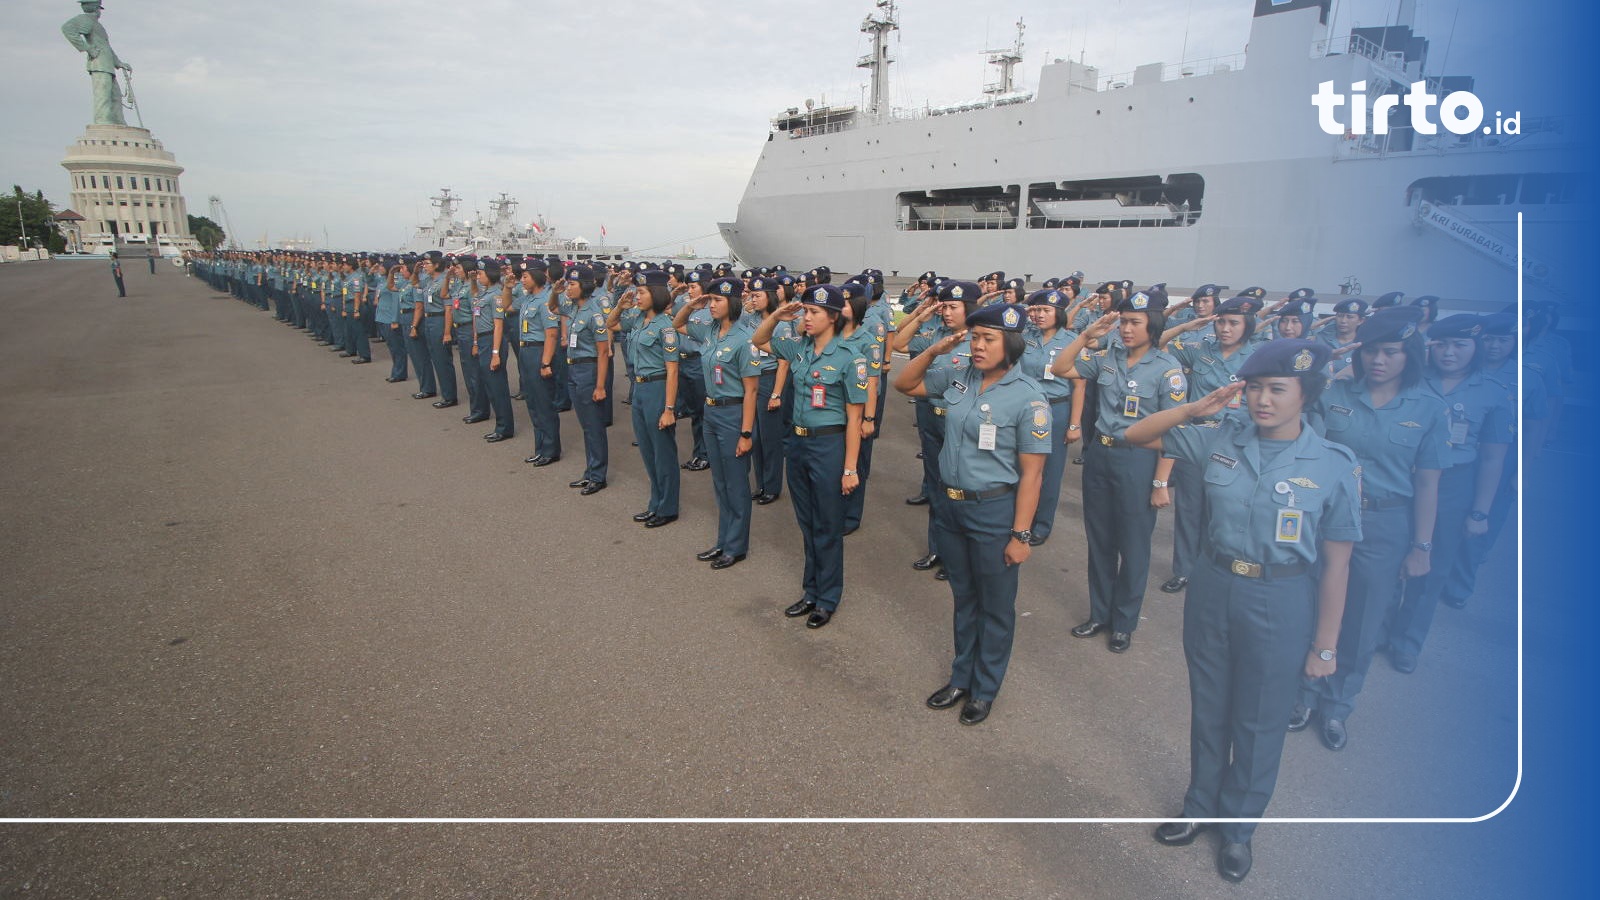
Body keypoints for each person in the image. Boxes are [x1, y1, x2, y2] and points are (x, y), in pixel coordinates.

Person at [1128, 339, 1360, 885]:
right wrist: (1193, 409)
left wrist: (1325, 646)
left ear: (1307, 395)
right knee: (1209, 705)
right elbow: (1131, 434)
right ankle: (1198, 806)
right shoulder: (1220, 441)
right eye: (1254, 387)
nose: (1262, 399)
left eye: (1277, 389)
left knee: (1259, 719)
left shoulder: (1332, 466)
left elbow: (1337, 567)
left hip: (1280, 597)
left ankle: (1238, 829)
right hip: (1214, 585)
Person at [1290, 306, 1448, 751]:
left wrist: (1421, 546)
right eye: (1373, 351)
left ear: (1410, 355)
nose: (1380, 361)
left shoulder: (1428, 408)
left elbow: (1428, 481)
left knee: (1362, 619)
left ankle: (1337, 706)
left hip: (1384, 522)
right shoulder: (1335, 393)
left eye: (1392, 352)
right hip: (1325, 516)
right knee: (1312, 605)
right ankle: (1303, 695)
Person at [895, 302, 1050, 725]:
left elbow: (1033, 475)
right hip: (951, 507)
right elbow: (905, 385)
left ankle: (984, 688)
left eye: (988, 339)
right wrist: (934, 351)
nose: (978, 346)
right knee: (964, 600)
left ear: (1012, 344)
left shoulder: (1029, 399)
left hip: (994, 511)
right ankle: (961, 677)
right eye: (975, 337)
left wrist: (1020, 536)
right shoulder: (959, 377)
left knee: (995, 606)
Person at [1052, 286, 1188, 653]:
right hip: (1101, 456)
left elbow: (1173, 433)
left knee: (1134, 545)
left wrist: (1161, 482)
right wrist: (1085, 336)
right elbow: (1061, 367)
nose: (1126, 329)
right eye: (1124, 322)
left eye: (1134, 323)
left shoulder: (1167, 371)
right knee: (1100, 542)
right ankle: (1100, 613)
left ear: (1154, 326)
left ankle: (1123, 622)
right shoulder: (1108, 357)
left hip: (1139, 462)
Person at [1383, 314, 1513, 671]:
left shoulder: (1493, 392)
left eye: (1459, 345)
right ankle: (1379, 629)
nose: (1448, 353)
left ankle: (1407, 640)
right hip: (1403, 476)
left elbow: (1491, 458)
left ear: (1477, 347)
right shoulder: (1412, 379)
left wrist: (1480, 513)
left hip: (1454, 482)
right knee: (1390, 556)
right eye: (1441, 344)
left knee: (1432, 565)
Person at [750, 284, 869, 629]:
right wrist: (775, 314)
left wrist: (850, 467)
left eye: (814, 312)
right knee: (807, 523)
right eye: (805, 311)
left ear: (833, 317)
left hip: (829, 446)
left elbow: (855, 418)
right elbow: (759, 340)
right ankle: (811, 591)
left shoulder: (850, 357)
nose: (807, 317)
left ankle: (828, 597)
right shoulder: (798, 348)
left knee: (828, 524)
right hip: (798, 444)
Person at [1157, 294, 1262, 593]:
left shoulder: (1258, 359)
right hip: (1197, 440)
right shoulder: (1200, 350)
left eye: (1234, 323)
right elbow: (1158, 342)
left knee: (1225, 511)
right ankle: (1184, 569)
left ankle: (1216, 569)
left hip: (1236, 445)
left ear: (1248, 325)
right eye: (1222, 322)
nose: (1225, 329)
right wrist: (1187, 325)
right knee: (1189, 508)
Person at [678, 277, 760, 564]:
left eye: (717, 300)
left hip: (733, 413)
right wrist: (691, 305)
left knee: (736, 483)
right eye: (710, 299)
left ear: (733, 303)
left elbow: (751, 390)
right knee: (720, 481)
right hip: (710, 411)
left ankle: (735, 547)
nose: (711, 305)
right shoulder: (709, 332)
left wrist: (746, 432)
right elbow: (677, 324)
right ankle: (723, 540)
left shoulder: (744, 340)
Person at [616, 270, 681, 525]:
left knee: (663, 452)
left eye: (642, 292)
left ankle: (668, 507)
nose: (637, 296)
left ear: (655, 294)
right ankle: (655, 502)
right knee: (647, 451)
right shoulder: (638, 319)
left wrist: (669, 408)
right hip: (640, 389)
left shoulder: (666, 327)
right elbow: (611, 324)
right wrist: (621, 305)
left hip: (657, 388)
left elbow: (673, 370)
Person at [1018, 288, 1079, 544]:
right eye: (1037, 310)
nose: (1040, 315)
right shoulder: (1025, 337)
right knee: (1022, 465)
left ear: (1060, 313)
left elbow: (1080, 384)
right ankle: (1022, 519)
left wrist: (1075, 424)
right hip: (1025, 408)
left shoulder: (1071, 341)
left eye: (1046, 310)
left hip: (1056, 408)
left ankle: (1042, 524)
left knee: (1050, 470)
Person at [559, 265, 613, 495]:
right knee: (586, 426)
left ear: (585, 286)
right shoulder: (574, 309)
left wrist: (600, 386)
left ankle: (598, 475)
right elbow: (553, 304)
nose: (567, 288)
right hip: (574, 370)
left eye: (571, 284)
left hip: (588, 371)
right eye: (567, 284)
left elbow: (603, 352)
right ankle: (590, 470)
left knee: (594, 426)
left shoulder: (594, 314)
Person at [744, 276, 793, 504]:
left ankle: (772, 486)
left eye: (757, 295)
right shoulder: (748, 319)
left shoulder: (781, 324)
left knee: (770, 437)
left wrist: (776, 393)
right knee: (754, 436)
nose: (753, 299)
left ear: (770, 297)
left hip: (769, 379)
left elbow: (783, 362)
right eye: (752, 295)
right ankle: (760, 483)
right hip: (750, 380)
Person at [516, 259, 563, 467]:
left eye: (525, 276)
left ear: (535, 277)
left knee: (544, 404)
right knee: (533, 402)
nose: (522, 280)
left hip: (539, 351)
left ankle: (551, 449)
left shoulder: (546, 301)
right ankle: (540, 447)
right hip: (525, 350)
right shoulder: (528, 299)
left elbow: (552, 334)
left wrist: (545, 363)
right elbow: (507, 304)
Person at [478, 260, 515, 442]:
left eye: (481, 273)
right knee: (490, 386)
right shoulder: (485, 293)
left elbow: (499, 325)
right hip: (484, 339)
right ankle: (500, 425)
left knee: (497, 386)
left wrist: (495, 353)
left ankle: (504, 427)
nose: (478, 277)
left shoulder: (496, 296)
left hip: (493, 340)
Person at [377, 258, 409, 384]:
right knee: (392, 347)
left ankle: (399, 373)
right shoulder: (382, 280)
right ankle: (396, 371)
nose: (379, 267)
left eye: (382, 266)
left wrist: (395, 319)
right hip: (382, 317)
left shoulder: (397, 281)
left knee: (397, 348)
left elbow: (396, 301)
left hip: (390, 318)